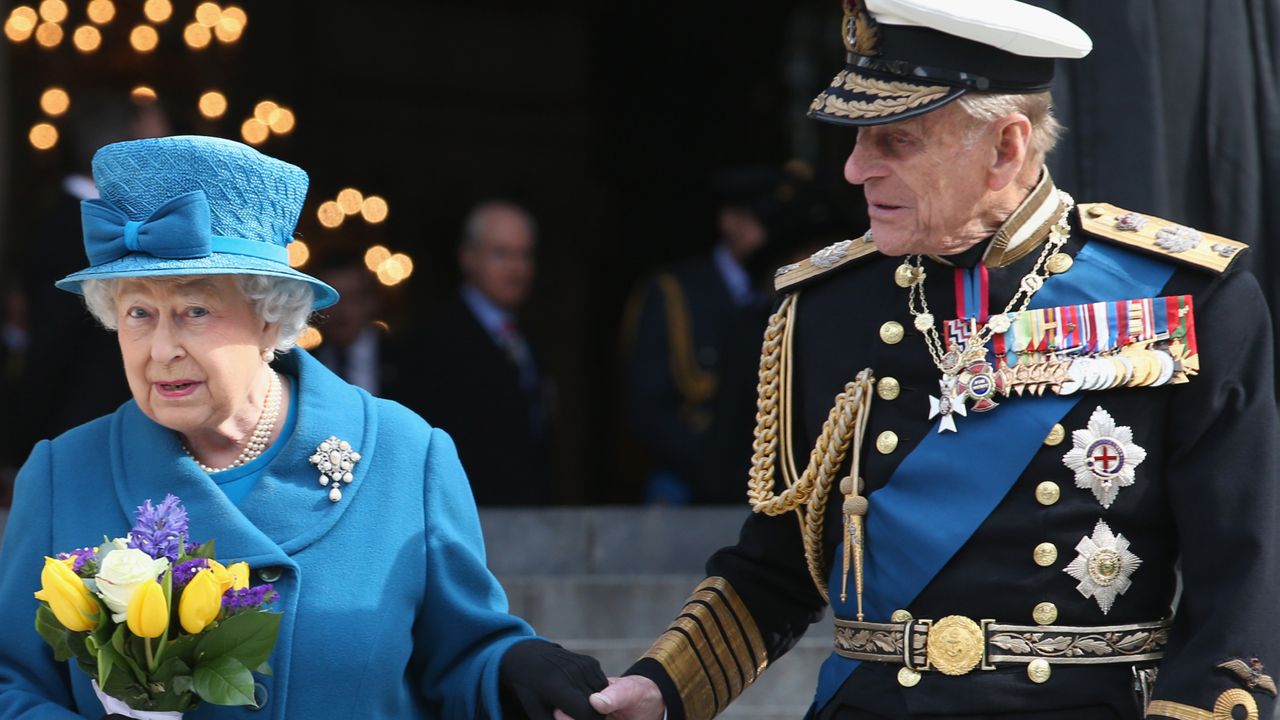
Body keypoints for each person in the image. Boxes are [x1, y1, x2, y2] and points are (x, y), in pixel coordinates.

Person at [590, 1, 1279, 719]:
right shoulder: (825, 308)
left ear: (1006, 148)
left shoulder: (1187, 296)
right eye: (858, 139)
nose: (856, 170)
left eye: (896, 141)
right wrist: (662, 687)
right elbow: (778, 570)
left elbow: (1241, 580)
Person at [0, 136, 606, 719]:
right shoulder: (61, 475)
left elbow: (465, 657)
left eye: (195, 311)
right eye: (138, 313)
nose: (161, 349)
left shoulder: (406, 456)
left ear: (271, 319)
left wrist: (519, 668)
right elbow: (11, 682)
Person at [622, 170, 777, 504]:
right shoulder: (676, 292)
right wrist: (717, 470)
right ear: (729, 221)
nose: (771, 233)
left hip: (764, 486)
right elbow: (648, 406)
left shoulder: (779, 295)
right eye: (760, 220)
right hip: (687, 482)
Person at [411, 201, 552, 506]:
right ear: (468, 257)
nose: (516, 268)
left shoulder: (526, 336)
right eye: (501, 253)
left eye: (524, 255)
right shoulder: (435, 340)